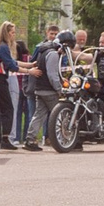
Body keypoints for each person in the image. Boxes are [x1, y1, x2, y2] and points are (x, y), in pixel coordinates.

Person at [29, 23, 69, 151]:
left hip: (40, 88)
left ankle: (30, 140)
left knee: (38, 115)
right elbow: (52, 75)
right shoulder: (53, 54)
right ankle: (65, 138)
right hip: (49, 90)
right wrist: (59, 89)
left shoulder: (42, 50)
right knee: (61, 115)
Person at [0, 21, 26, 149]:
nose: (14, 35)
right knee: (8, 108)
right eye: (13, 32)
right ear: (7, 33)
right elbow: (10, 65)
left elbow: (11, 61)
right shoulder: (4, 47)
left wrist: (28, 65)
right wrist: (29, 71)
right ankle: (5, 139)